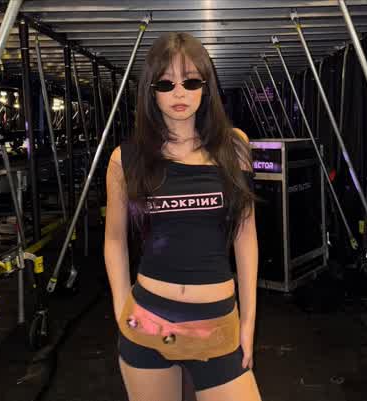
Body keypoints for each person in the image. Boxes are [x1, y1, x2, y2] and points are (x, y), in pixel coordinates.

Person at [104, 32, 262, 401]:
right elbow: (113, 240)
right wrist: (121, 311)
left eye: (191, 81)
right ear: (151, 90)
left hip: (216, 324)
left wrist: (248, 321)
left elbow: (246, 236)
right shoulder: (125, 159)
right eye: (166, 83)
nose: (179, 92)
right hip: (146, 320)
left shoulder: (234, 147)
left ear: (206, 87)